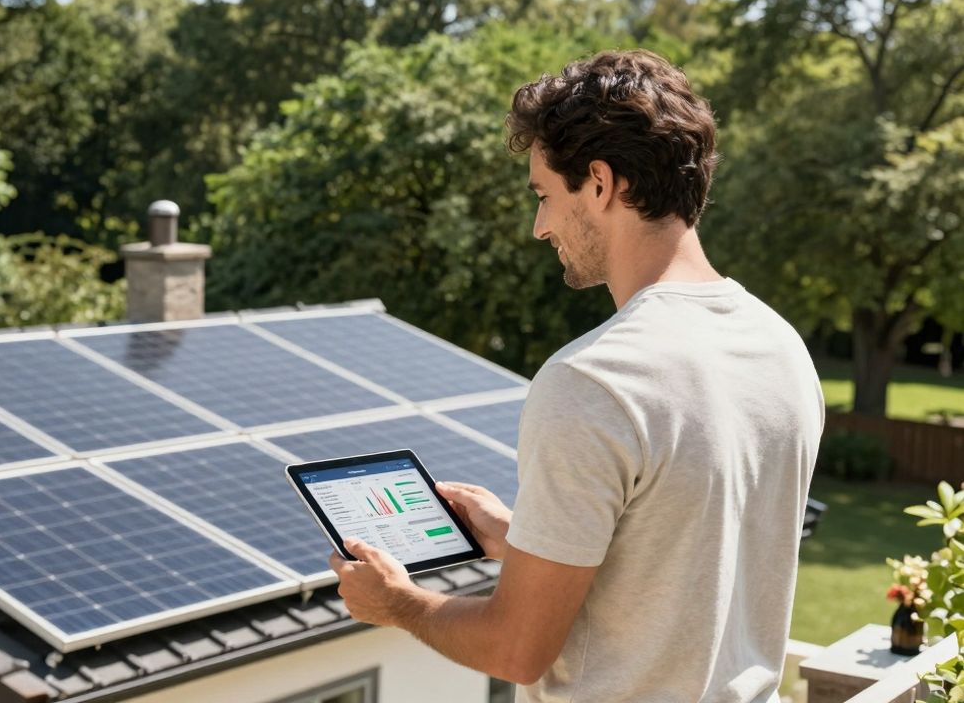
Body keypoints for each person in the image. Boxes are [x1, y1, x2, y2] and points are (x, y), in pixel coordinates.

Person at [328, 50, 825, 702]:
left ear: (599, 182)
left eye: (544, 195)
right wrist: (523, 543)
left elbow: (515, 649)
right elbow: (687, 556)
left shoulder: (593, 381)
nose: (540, 227)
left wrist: (398, 602)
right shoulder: (779, 347)